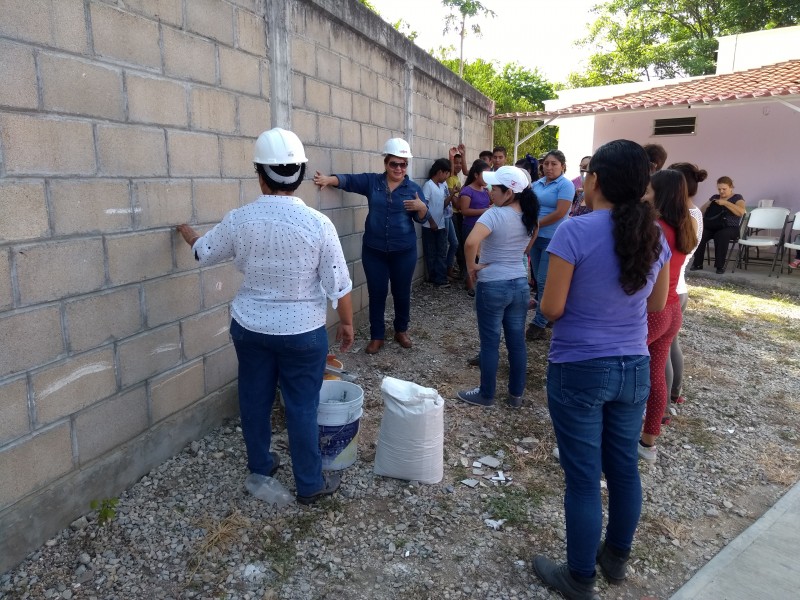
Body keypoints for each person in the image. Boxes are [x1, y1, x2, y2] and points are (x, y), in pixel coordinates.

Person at [176, 128, 354, 506]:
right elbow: (338, 286)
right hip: (303, 334)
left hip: (250, 328)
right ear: (302, 175)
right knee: (302, 406)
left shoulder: (240, 220)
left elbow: (204, 252)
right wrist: (349, 324)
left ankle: (261, 465)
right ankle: (309, 483)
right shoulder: (319, 225)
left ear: (260, 174)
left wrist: (190, 235)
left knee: (254, 398)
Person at [532, 140, 670, 600]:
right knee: (625, 469)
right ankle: (614, 559)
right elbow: (654, 302)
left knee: (584, 478)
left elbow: (551, 308)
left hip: (580, 368)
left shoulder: (575, 232)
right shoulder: (654, 236)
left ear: (594, 180)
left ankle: (579, 578)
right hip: (635, 366)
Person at [312, 138, 430, 354]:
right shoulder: (373, 182)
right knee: (376, 293)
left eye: (403, 164)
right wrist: (329, 179)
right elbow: (350, 181)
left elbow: (422, 219)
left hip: (404, 252)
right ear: (386, 163)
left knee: (401, 292)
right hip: (374, 252)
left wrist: (422, 208)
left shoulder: (412, 189)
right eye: (394, 163)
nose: (399, 168)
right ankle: (377, 336)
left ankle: (401, 330)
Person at [456, 166, 539, 408]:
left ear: (510, 192)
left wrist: (472, 267)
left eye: (495, 188)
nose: (490, 191)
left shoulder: (494, 215)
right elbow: (532, 240)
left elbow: (471, 242)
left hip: (493, 285)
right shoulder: (529, 214)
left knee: (490, 343)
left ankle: (486, 394)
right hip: (519, 284)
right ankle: (516, 396)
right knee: (516, 343)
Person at [639, 170, 696, 464]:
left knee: (627, 369)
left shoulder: (657, 229)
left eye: (648, 191)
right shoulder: (685, 225)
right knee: (657, 374)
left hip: (655, 311)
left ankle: (612, 434)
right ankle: (648, 442)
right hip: (673, 308)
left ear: (659, 194)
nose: (644, 196)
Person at [665, 162, 706, 408]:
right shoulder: (694, 212)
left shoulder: (683, 216)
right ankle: (674, 393)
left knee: (663, 350)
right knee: (671, 344)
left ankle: (667, 400)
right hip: (679, 287)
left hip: (672, 288)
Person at [526, 150, 574, 341]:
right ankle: (550, 313)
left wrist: (537, 224)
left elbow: (561, 212)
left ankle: (538, 324)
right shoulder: (536, 183)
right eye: (546, 163)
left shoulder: (565, 185)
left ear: (562, 165)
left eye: (554, 164)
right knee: (538, 278)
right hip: (535, 237)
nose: (549, 167)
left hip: (554, 237)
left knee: (545, 280)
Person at [690, 176, 746, 274]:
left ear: (731, 187)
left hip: (730, 227)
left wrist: (725, 203)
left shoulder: (738, 197)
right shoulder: (715, 197)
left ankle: (720, 266)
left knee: (721, 235)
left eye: (724, 189)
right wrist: (709, 204)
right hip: (713, 225)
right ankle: (697, 263)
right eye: (719, 189)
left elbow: (741, 212)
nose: (721, 192)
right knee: (700, 234)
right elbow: (701, 211)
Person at [458, 159, 492, 296]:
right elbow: (464, 211)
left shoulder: (485, 190)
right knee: (470, 257)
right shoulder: (467, 191)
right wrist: (484, 211)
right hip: (470, 227)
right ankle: (470, 286)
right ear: (476, 175)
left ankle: (479, 282)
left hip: (484, 228)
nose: (487, 179)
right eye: (485, 175)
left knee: (481, 256)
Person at [422, 158, 453, 288]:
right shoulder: (428, 186)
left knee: (441, 252)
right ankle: (435, 279)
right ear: (440, 172)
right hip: (429, 226)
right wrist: (431, 221)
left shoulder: (441, 186)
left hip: (440, 225)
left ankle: (440, 278)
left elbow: (443, 205)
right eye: (446, 174)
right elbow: (424, 206)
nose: (447, 177)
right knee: (431, 253)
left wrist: (452, 195)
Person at [447, 146, 468, 280]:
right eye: (456, 162)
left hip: (458, 213)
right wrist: (451, 158)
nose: (458, 166)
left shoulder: (457, 178)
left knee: (459, 242)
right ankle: (452, 268)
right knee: (456, 243)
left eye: (460, 163)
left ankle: (459, 268)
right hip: (453, 214)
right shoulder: (450, 178)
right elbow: (455, 202)